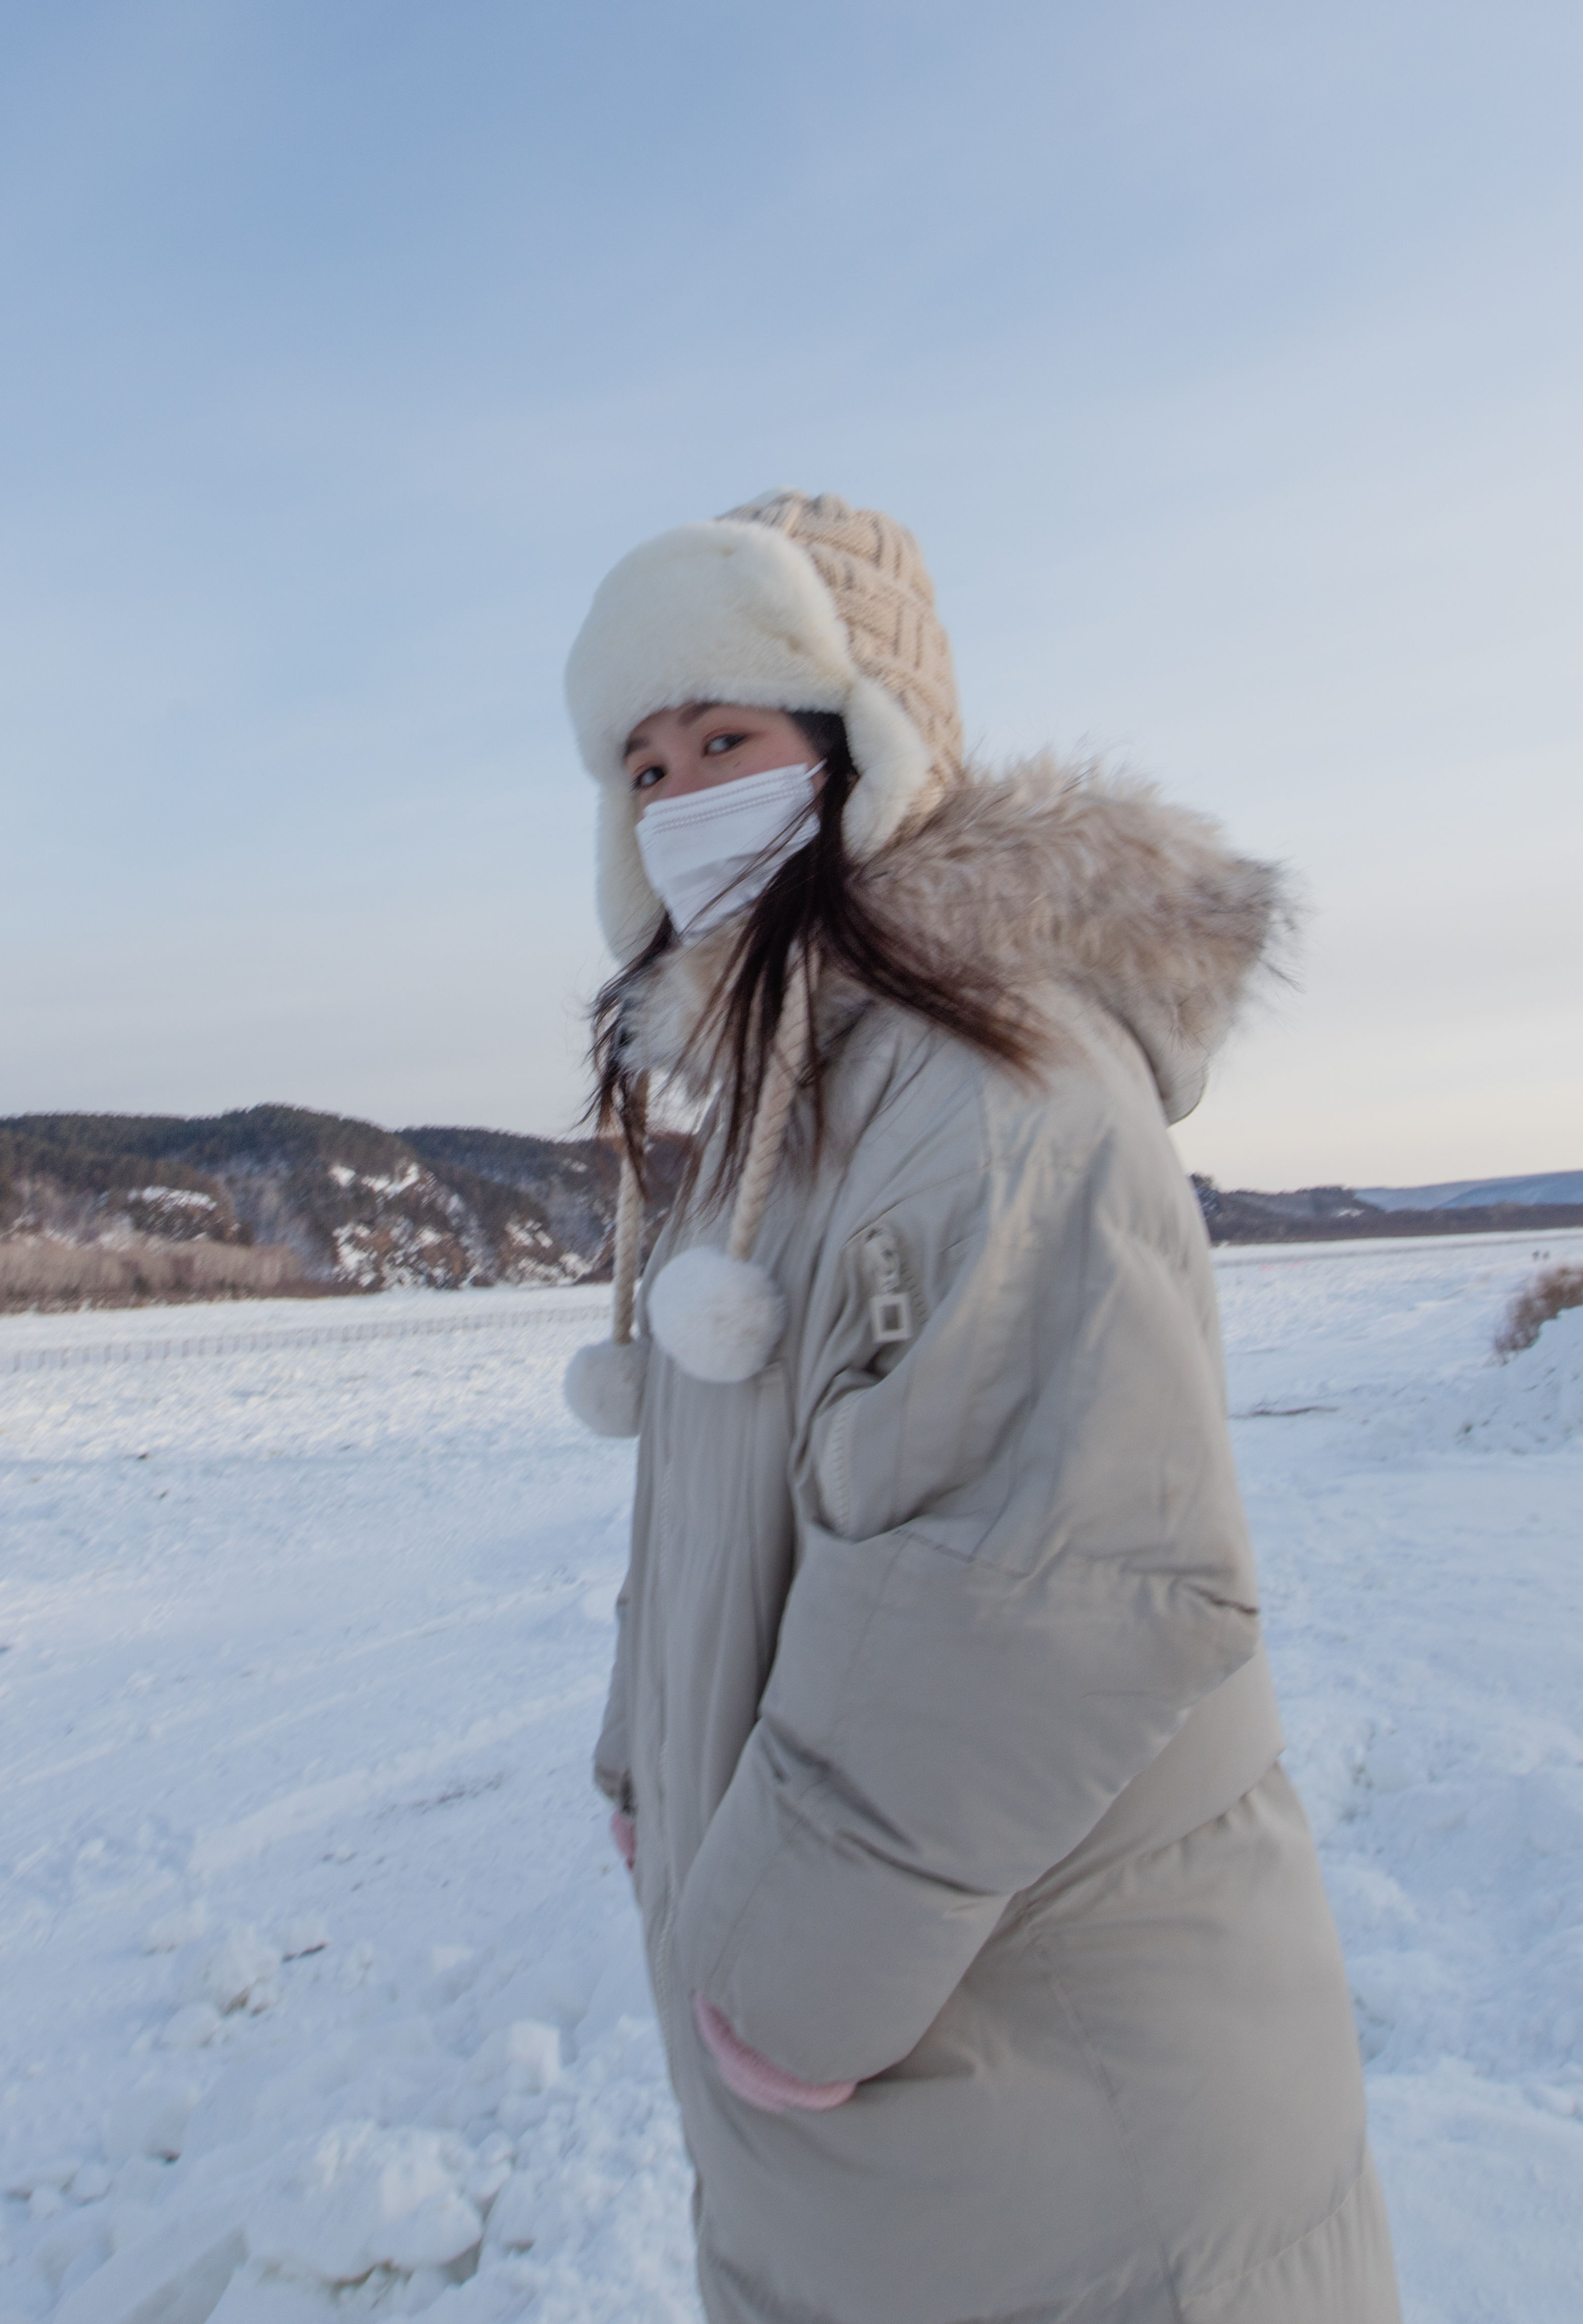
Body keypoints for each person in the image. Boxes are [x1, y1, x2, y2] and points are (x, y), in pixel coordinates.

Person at [560, 493, 1398, 2323]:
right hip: (918, 2106)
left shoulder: (989, 1093)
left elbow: (1043, 1584)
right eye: (641, 761)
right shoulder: (786, 1120)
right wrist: (650, 1762)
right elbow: (721, 1512)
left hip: (1058, 2113)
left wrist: (779, 1973)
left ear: (861, 746)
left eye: (727, 735)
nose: (680, 792)